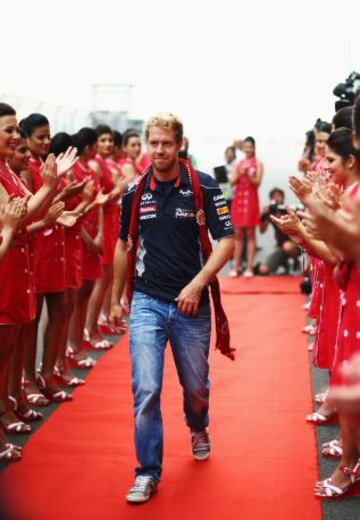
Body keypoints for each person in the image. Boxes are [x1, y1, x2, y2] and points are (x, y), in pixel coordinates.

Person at [110, 112, 235, 504]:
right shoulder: (134, 192)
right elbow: (122, 246)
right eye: (154, 143)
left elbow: (227, 240)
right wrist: (117, 298)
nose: (159, 150)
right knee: (145, 388)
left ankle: (198, 425)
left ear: (179, 145)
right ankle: (147, 472)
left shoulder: (203, 186)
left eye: (167, 143)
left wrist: (197, 285)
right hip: (146, 302)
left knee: (195, 388)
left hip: (190, 306)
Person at [229, 136, 263, 277]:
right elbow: (231, 183)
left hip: (251, 200)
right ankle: (236, 266)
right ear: (243, 148)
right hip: (238, 200)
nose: (248, 149)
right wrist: (240, 174)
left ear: (254, 148)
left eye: (250, 147)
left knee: (250, 234)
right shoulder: (238, 163)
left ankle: (249, 267)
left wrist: (249, 175)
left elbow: (257, 183)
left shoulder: (258, 163)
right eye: (246, 147)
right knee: (237, 235)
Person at [257, 188, 300, 275]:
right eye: (273, 197)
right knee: (263, 270)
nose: (276, 199)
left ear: (283, 198)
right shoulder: (270, 212)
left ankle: (296, 262)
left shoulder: (289, 211)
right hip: (280, 246)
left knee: (287, 246)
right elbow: (262, 231)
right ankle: (284, 263)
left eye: (278, 196)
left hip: (295, 245)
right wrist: (264, 216)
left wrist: (279, 216)